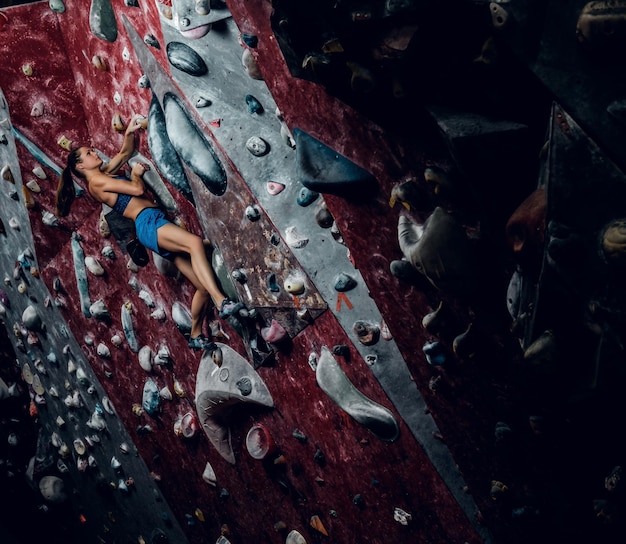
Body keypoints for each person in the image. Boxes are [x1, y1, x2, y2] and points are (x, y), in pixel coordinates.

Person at [55, 114, 242, 351]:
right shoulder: (97, 184)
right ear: (81, 166)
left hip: (153, 222)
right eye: (89, 154)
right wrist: (134, 175)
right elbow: (136, 187)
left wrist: (129, 132)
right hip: (148, 224)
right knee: (195, 244)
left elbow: (124, 153)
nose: (95, 153)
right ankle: (222, 302)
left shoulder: (103, 176)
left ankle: (195, 334)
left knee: (201, 286)